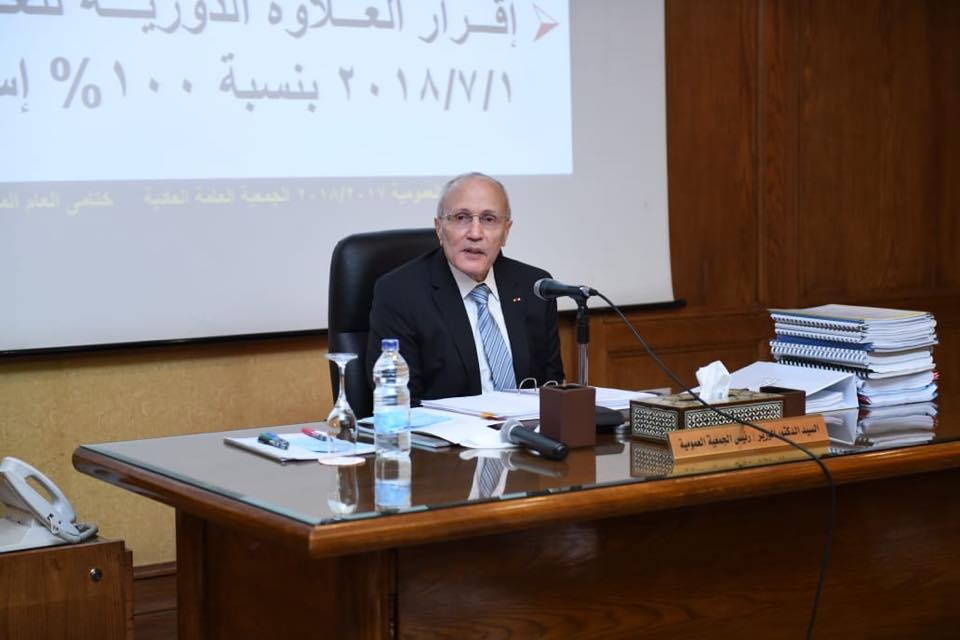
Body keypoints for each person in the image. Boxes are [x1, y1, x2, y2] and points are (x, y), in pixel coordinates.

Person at [366, 172, 564, 404]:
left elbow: (551, 387)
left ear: (506, 231)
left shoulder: (535, 287)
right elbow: (402, 402)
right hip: (446, 427)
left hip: (527, 425)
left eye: (489, 219)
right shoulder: (399, 293)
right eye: (461, 217)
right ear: (439, 228)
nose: (475, 233)